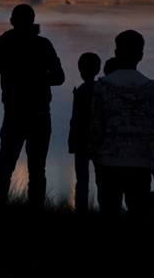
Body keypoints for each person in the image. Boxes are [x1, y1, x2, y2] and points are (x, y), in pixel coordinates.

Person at [0, 4, 65, 206]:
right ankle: (35, 210)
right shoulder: (43, 45)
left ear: (12, 21)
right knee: (37, 168)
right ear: (33, 20)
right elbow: (59, 77)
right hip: (39, 113)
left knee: (4, 165)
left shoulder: (3, 43)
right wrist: (40, 78)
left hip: (13, 112)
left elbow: (4, 71)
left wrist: (23, 78)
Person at [90, 30, 154, 216]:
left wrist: (94, 153)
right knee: (138, 212)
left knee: (109, 211)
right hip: (140, 162)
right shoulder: (150, 88)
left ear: (116, 52)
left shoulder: (102, 86)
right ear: (141, 56)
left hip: (108, 161)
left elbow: (96, 126)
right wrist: (153, 160)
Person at [68, 52, 101, 213]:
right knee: (101, 179)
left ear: (81, 70)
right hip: (98, 141)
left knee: (82, 180)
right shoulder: (101, 89)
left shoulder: (80, 91)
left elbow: (75, 119)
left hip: (81, 140)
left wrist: (71, 141)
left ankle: (81, 209)